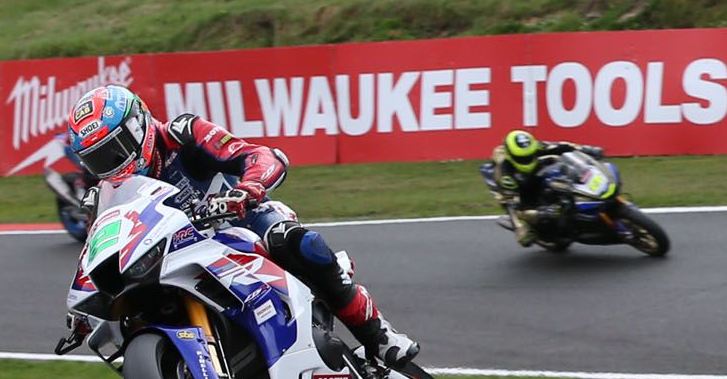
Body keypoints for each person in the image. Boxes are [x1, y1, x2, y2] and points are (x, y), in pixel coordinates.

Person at [62, 87, 414, 361]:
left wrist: (247, 190)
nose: (112, 166)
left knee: (295, 242)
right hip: (172, 256)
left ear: (138, 127)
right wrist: (82, 307)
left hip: (239, 223)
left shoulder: (184, 134)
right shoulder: (104, 195)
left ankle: (377, 335)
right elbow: (97, 248)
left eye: (115, 150)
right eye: (98, 160)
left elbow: (258, 155)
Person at [481, 129, 608, 247]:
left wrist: (587, 149)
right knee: (525, 238)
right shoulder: (505, 175)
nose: (527, 160)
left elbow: (561, 146)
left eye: (529, 156)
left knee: (558, 168)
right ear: (511, 156)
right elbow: (512, 205)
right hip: (517, 190)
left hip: (533, 175)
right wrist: (527, 221)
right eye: (522, 158)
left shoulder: (535, 146)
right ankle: (535, 228)